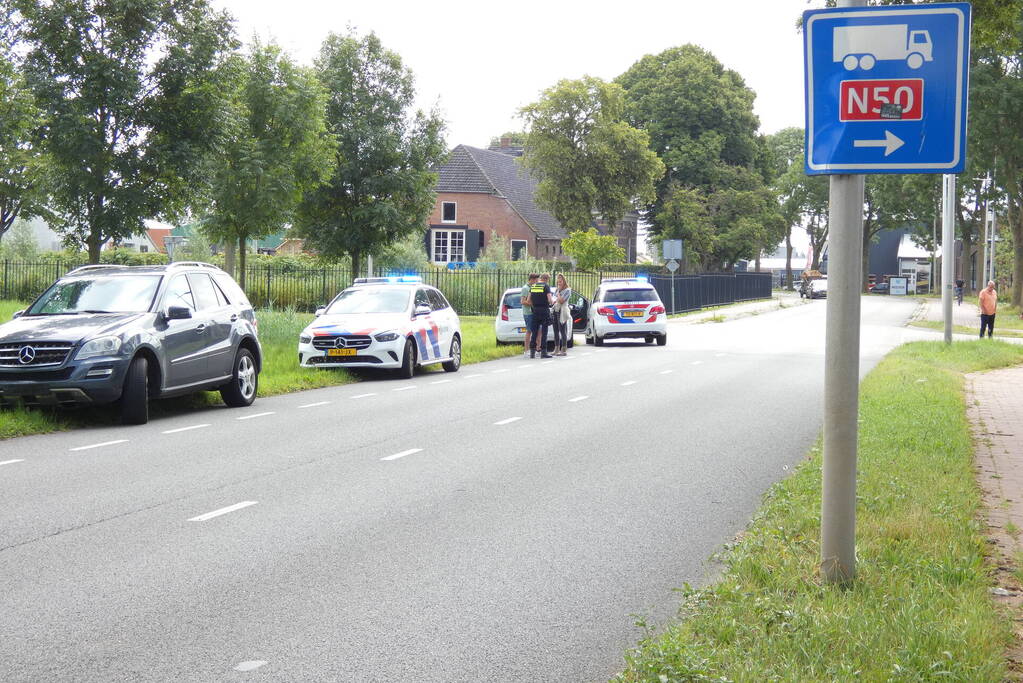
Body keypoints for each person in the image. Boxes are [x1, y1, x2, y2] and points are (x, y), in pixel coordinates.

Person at [528, 273, 554, 359]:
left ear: (541, 278)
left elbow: (528, 300)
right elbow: (550, 300)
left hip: (535, 311)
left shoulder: (533, 286)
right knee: (544, 332)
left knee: (534, 332)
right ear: (547, 279)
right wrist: (552, 302)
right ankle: (543, 352)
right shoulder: (546, 286)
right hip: (544, 311)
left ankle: (532, 352)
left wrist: (534, 306)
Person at [552, 273, 572, 356]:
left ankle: (563, 350)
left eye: (560, 281)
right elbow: (554, 300)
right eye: (558, 281)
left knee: (562, 330)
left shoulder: (567, 290)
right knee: (555, 330)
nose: (559, 283)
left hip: (562, 311)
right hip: (555, 310)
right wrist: (555, 297)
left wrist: (558, 294)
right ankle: (556, 349)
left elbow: (561, 300)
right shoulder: (557, 290)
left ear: (564, 281)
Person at [520, 273, 538, 357]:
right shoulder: (525, 288)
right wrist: (532, 304)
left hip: (534, 313)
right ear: (531, 279)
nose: (537, 281)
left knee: (535, 331)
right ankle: (526, 350)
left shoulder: (534, 287)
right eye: (535, 280)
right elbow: (522, 301)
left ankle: (535, 349)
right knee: (529, 331)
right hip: (528, 313)